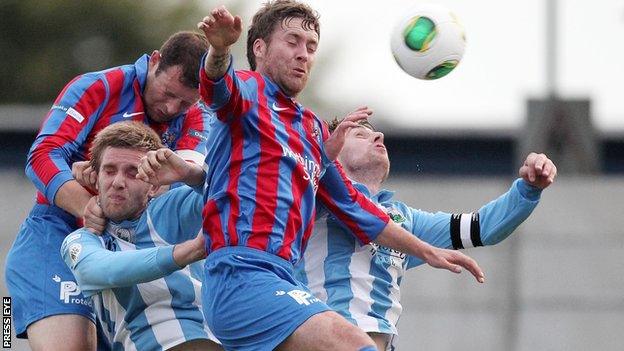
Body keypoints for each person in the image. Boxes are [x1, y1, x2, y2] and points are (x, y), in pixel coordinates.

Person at [146, 2, 480, 350]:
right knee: (353, 342)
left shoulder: (311, 129)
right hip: (240, 275)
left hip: (282, 279)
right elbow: (216, 87)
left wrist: (426, 251)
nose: (303, 54)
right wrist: (219, 49)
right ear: (259, 47)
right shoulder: (247, 92)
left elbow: (357, 209)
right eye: (292, 41)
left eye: (311, 46)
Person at [5, 31, 211, 350]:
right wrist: (88, 204)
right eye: (168, 92)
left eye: (185, 102)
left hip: (132, 241)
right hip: (59, 232)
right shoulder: (99, 86)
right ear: (154, 60)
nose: (172, 108)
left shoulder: (197, 113)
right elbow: (43, 155)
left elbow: (189, 187)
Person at [295, 120, 558, 350]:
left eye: (375, 133)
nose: (379, 137)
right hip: (322, 334)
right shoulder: (315, 195)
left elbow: (481, 228)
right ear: (333, 151)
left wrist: (528, 189)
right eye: (360, 135)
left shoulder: (402, 219)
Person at [60, 122, 221, 351]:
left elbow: (233, 194)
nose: (118, 182)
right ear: (96, 180)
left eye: (132, 172)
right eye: (109, 170)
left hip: (213, 338)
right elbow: (103, 269)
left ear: (154, 187)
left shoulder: (168, 211)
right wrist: (190, 251)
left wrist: (190, 174)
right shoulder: (82, 240)